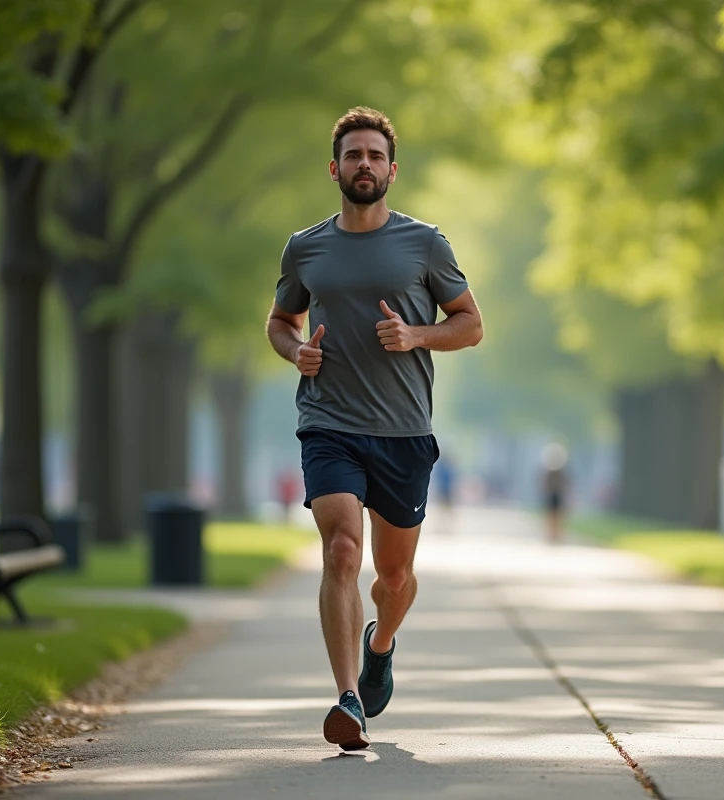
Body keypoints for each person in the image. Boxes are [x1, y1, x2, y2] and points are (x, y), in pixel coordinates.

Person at [265, 107, 483, 750]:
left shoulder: (425, 244)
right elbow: (280, 321)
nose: (365, 164)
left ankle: (380, 644)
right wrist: (294, 350)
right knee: (340, 551)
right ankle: (348, 699)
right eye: (353, 155)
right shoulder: (305, 247)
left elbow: (470, 322)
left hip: (403, 431)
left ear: (392, 170)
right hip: (328, 422)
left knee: (392, 579)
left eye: (375, 156)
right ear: (335, 169)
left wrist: (417, 334)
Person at [541, 442, 570, 545]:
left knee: (558, 516)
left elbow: (566, 483)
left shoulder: (562, 472)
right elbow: (544, 484)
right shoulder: (548, 472)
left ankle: (557, 534)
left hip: (558, 495)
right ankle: (551, 534)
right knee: (551, 515)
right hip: (551, 495)